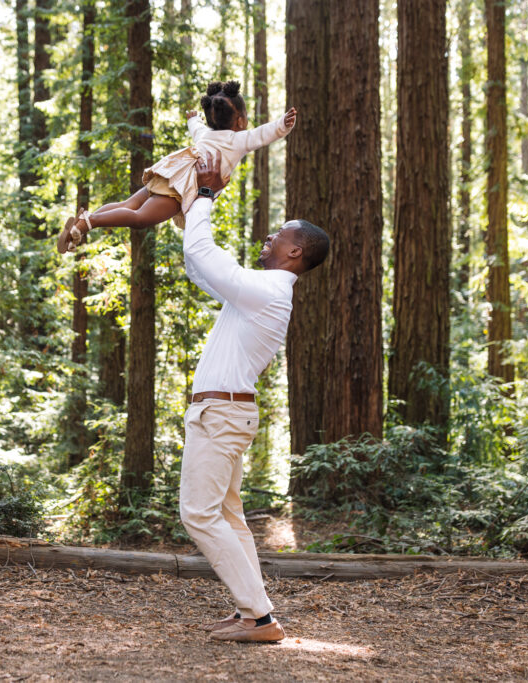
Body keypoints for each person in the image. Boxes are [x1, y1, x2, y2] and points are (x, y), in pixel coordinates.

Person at [179, 151, 329, 643]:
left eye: (279, 234)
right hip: (222, 411)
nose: (269, 237)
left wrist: (204, 195)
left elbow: (206, 257)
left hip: (222, 414)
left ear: (294, 253)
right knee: (226, 516)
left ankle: (261, 619)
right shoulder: (258, 290)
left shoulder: (268, 290)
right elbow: (199, 267)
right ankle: (251, 613)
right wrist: (190, 207)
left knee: (198, 514)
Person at [56, 81, 297, 253]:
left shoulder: (205, 135)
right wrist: (282, 125)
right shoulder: (237, 140)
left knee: (129, 204)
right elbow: (262, 135)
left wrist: (193, 119)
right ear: (241, 121)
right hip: (183, 186)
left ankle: (86, 219)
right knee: (139, 218)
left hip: (171, 171)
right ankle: (90, 222)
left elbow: (196, 127)